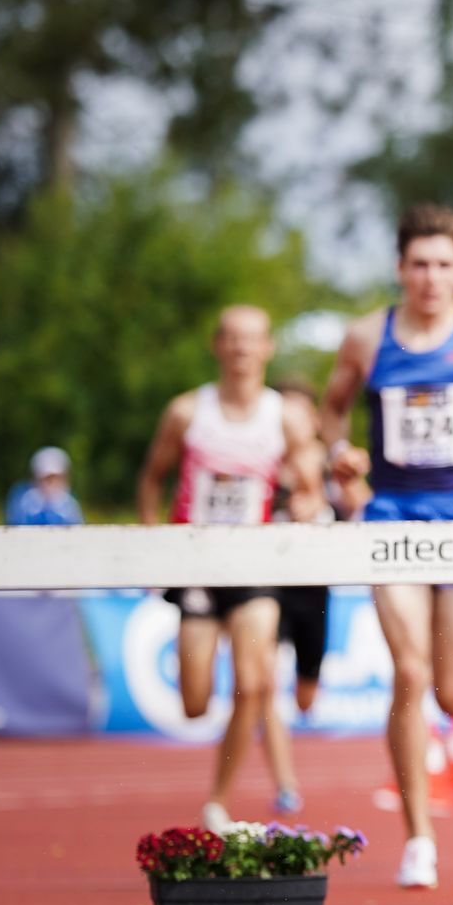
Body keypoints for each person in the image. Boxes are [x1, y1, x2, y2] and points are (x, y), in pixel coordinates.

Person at [320, 204, 453, 889]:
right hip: (389, 518)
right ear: (400, 269)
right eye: (419, 264)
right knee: (409, 674)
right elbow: (330, 410)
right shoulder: (365, 337)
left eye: (444, 265)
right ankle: (419, 838)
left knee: (451, 694)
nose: (431, 277)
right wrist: (339, 455)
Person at [136, 306, 325, 832]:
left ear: (267, 349)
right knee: (195, 704)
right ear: (217, 346)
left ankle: (218, 799)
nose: (243, 350)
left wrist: (307, 503)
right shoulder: (186, 412)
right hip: (196, 565)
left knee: (254, 682)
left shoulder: (282, 416)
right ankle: (219, 773)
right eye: (233, 340)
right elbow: (152, 478)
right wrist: (152, 544)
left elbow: (309, 484)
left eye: (253, 340)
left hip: (254, 565)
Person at [272, 380, 338, 719]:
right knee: (263, 678)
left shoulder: (331, 461)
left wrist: (322, 498)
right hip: (270, 581)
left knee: (306, 696)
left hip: (313, 583)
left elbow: (361, 504)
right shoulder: (262, 460)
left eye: (301, 415)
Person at [6, 447, 83, 526]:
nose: (53, 483)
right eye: (47, 479)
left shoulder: (69, 504)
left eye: (58, 478)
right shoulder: (24, 503)